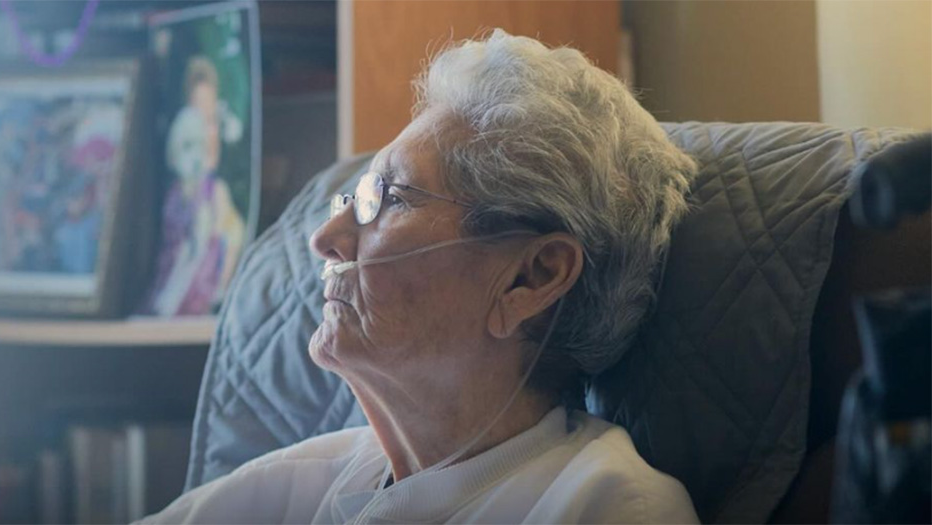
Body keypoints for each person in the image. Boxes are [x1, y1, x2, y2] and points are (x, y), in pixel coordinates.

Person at [142, 30, 700, 523]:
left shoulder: (607, 508)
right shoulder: (288, 486)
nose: (323, 239)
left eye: (389, 198)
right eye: (355, 196)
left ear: (531, 277)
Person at [146, 56, 246, 316]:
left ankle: (216, 292)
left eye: (209, 108)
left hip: (206, 187)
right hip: (190, 191)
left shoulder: (216, 189)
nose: (205, 109)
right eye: (198, 105)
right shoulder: (186, 127)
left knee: (229, 230)